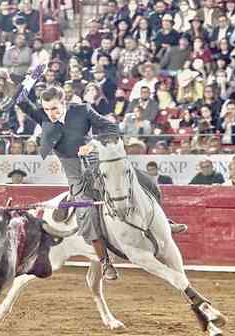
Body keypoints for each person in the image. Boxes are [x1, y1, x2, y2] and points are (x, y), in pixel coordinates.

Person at [16, 70, 186, 281]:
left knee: (142, 179)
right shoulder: (42, 116)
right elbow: (21, 100)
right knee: (86, 211)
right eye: (47, 108)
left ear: (64, 103)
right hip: (75, 173)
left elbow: (111, 127)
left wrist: (93, 144)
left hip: (97, 162)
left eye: (55, 108)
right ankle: (105, 261)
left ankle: (164, 221)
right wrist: (32, 78)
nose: (51, 113)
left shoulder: (82, 111)